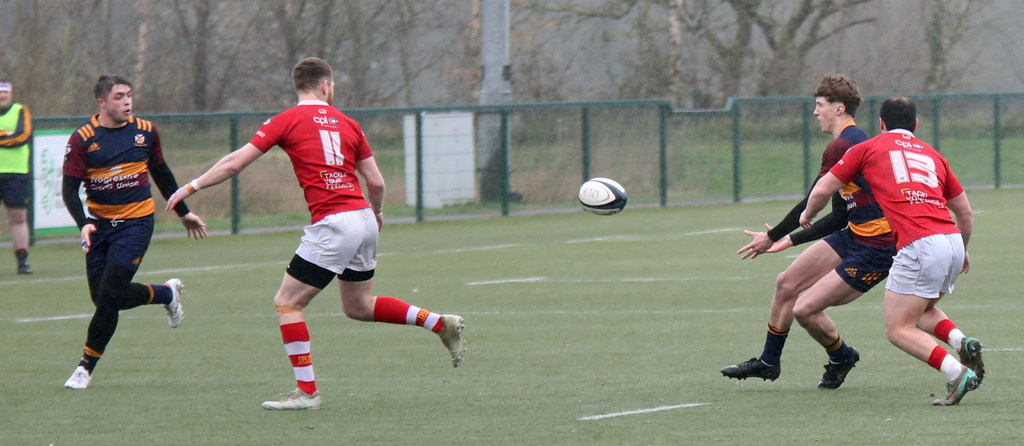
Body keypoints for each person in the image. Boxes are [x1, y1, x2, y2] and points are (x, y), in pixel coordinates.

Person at [165, 57, 466, 411]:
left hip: (335, 222)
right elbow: (377, 182)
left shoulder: (285, 120)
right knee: (358, 306)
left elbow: (235, 163)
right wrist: (378, 212)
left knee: (288, 302)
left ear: (300, 86)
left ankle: (307, 392)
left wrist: (191, 186)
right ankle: (438, 324)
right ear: (326, 86)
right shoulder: (349, 123)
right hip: (364, 219)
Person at [801, 96, 984, 406]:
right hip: (951, 239)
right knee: (920, 309)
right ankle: (960, 341)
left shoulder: (868, 148)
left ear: (881, 124)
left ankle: (956, 372)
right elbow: (964, 212)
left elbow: (823, 189)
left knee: (898, 328)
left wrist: (807, 215)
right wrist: (963, 249)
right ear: (915, 125)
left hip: (920, 243)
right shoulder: (933, 154)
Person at [722, 74, 896, 389]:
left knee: (807, 311)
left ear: (840, 109)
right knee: (786, 283)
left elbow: (810, 202)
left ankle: (842, 356)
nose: (815, 112)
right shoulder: (857, 140)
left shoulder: (843, 146)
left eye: (820, 105)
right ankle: (768, 362)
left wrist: (772, 236)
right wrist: (790, 240)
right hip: (855, 235)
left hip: (877, 248)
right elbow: (839, 218)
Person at [61, 75, 208, 390]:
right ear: (102, 102)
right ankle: (167, 293)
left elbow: (161, 173)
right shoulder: (82, 139)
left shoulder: (145, 132)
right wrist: (83, 222)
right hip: (98, 228)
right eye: (119, 97)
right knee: (103, 298)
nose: (127, 101)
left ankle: (85, 368)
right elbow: (69, 190)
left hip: (136, 224)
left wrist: (184, 211)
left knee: (110, 295)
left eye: (129, 95)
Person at [0, 77, 34, 274]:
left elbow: (22, 136)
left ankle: (22, 260)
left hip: (16, 173)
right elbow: (12, 136)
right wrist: (7, 134)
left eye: (5, 92)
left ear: (11, 93)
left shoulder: (22, 111)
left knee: (18, 217)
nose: (2, 96)